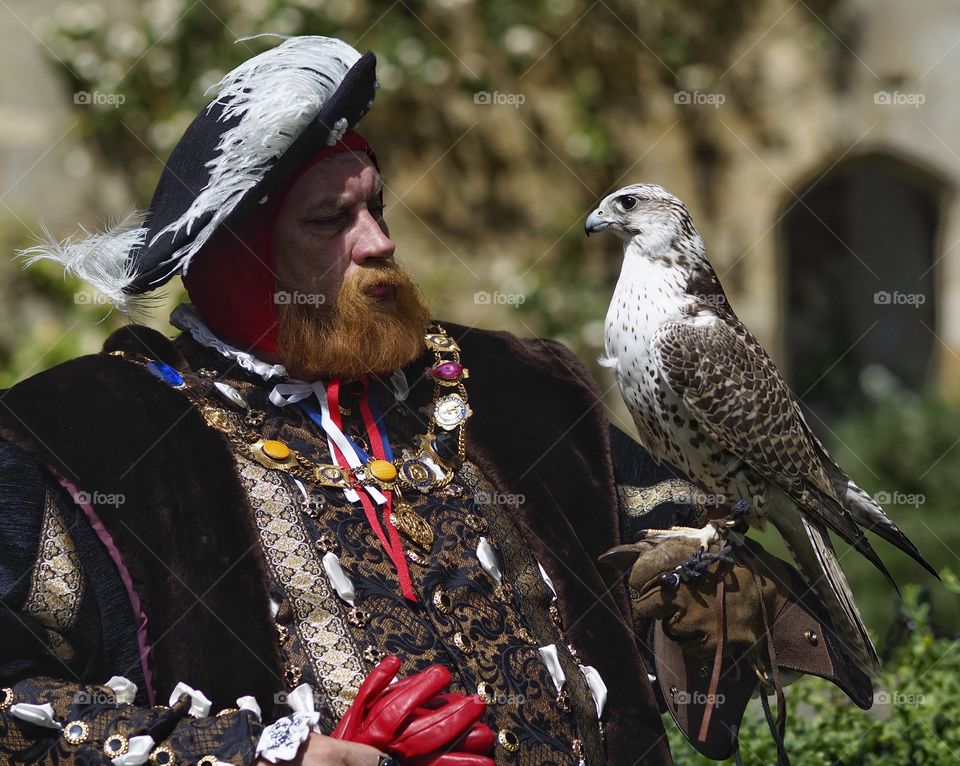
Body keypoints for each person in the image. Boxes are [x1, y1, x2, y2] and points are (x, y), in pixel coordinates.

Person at [0, 35, 871, 766]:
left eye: (376, 207)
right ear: (240, 253)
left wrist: (695, 581)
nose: (379, 242)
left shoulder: (515, 388)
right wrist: (269, 752)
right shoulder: (85, 441)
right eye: (327, 221)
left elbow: (668, 524)